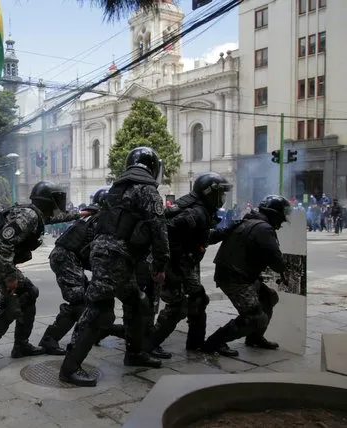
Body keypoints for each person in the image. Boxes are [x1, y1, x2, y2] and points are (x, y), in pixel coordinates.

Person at [59, 147, 170, 387]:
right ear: (152, 168)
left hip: (111, 254)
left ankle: (134, 353)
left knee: (137, 302)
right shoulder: (148, 190)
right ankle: (69, 368)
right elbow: (159, 229)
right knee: (100, 309)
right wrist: (160, 264)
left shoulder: (117, 189)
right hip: (115, 256)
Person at [0, 181, 69, 374]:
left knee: (30, 292)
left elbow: (55, 219)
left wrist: (84, 213)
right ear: (47, 201)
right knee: (9, 308)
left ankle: (21, 345)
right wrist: (10, 278)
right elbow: (3, 246)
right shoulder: (29, 216)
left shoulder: (35, 214)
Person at [145, 172, 233, 358]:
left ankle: (196, 343)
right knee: (178, 306)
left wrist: (226, 232)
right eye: (220, 194)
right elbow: (163, 233)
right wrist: (170, 265)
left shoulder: (200, 209)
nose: (222, 199)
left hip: (181, 264)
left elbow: (199, 238)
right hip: (171, 264)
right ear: (209, 193)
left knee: (198, 299)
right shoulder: (195, 212)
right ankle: (147, 345)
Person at [202, 195, 289, 355]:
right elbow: (277, 261)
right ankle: (214, 342)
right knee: (255, 316)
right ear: (275, 215)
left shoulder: (251, 222)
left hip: (237, 273)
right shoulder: (263, 228)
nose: (281, 223)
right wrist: (284, 267)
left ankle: (254, 337)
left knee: (268, 298)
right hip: (234, 277)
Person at [38, 189, 107, 355]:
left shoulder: (92, 214)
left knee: (87, 299)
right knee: (78, 303)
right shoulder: (99, 218)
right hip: (66, 258)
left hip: (69, 258)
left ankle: (94, 333)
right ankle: (49, 339)